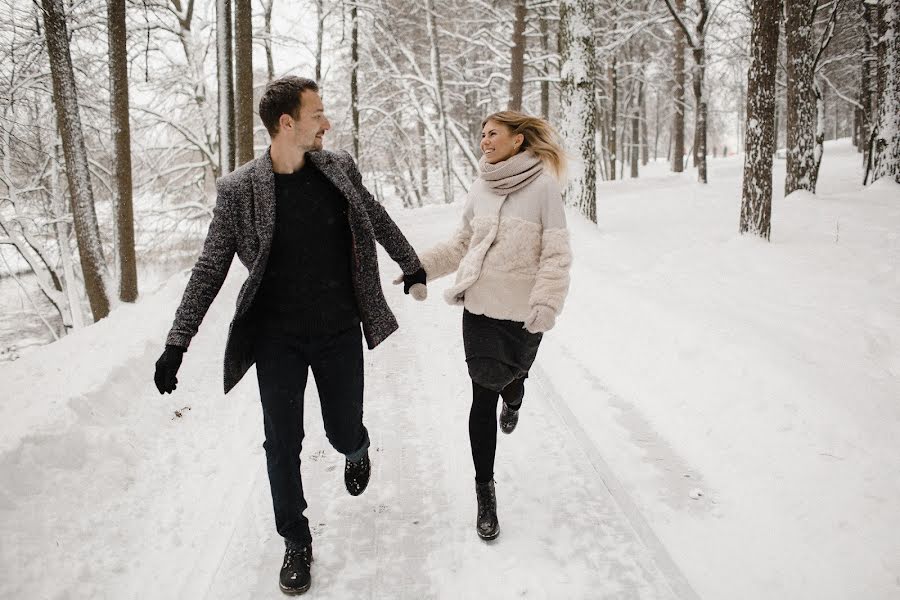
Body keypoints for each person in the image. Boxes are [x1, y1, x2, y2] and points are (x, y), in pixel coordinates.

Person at [153, 75, 427, 595]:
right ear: (287, 123)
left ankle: (356, 446)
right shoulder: (239, 192)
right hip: (276, 338)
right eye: (317, 114)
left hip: (339, 329)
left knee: (343, 427)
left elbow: (374, 215)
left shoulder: (337, 169)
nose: (326, 123)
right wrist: (177, 342)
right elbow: (209, 268)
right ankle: (295, 539)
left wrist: (410, 264)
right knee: (282, 443)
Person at [408, 111, 572, 541]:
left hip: (523, 313)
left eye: (493, 133)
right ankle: (485, 491)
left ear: (518, 140)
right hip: (480, 307)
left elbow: (556, 253)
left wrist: (547, 301)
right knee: (483, 392)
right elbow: (463, 242)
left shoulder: (543, 188)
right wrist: (421, 267)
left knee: (513, 378)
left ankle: (515, 396)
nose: (484, 140)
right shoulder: (481, 186)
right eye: (481, 133)